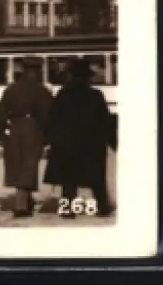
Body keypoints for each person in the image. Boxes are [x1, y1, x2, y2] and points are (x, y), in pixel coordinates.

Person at [43, 58, 116, 218]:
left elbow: (52, 120)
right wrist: (114, 142)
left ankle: (67, 209)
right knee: (97, 179)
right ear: (87, 77)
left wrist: (51, 141)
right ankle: (103, 207)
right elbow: (105, 121)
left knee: (68, 180)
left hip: (68, 144)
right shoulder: (96, 95)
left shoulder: (62, 94)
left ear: (71, 75)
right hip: (92, 144)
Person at [0, 56, 53, 218]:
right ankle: (21, 205)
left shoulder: (11, 89)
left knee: (17, 163)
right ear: (37, 71)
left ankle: (26, 199)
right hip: (33, 128)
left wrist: (0, 133)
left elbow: (0, 113)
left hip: (14, 127)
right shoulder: (42, 91)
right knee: (29, 164)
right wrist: (48, 137)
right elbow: (47, 115)